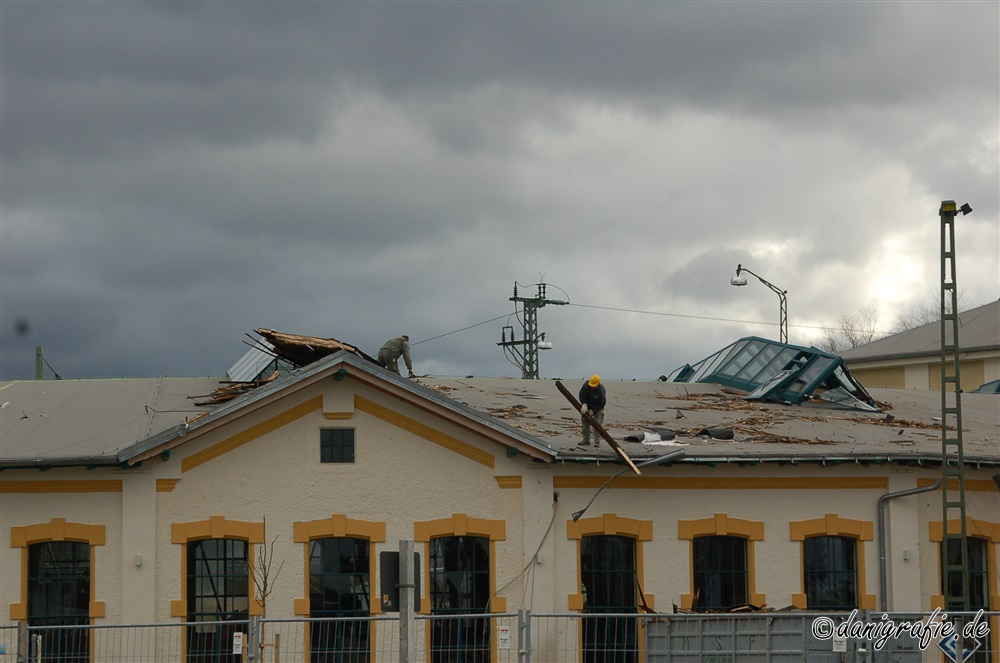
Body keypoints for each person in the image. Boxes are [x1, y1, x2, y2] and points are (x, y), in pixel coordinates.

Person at [578, 374, 606, 446]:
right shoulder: (586, 386)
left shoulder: (601, 391)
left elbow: (601, 403)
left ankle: (597, 442)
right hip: (587, 405)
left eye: (594, 386)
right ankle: (586, 440)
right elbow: (581, 395)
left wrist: (593, 410)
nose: (592, 387)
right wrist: (584, 404)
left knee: (597, 423)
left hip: (598, 407)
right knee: (585, 422)